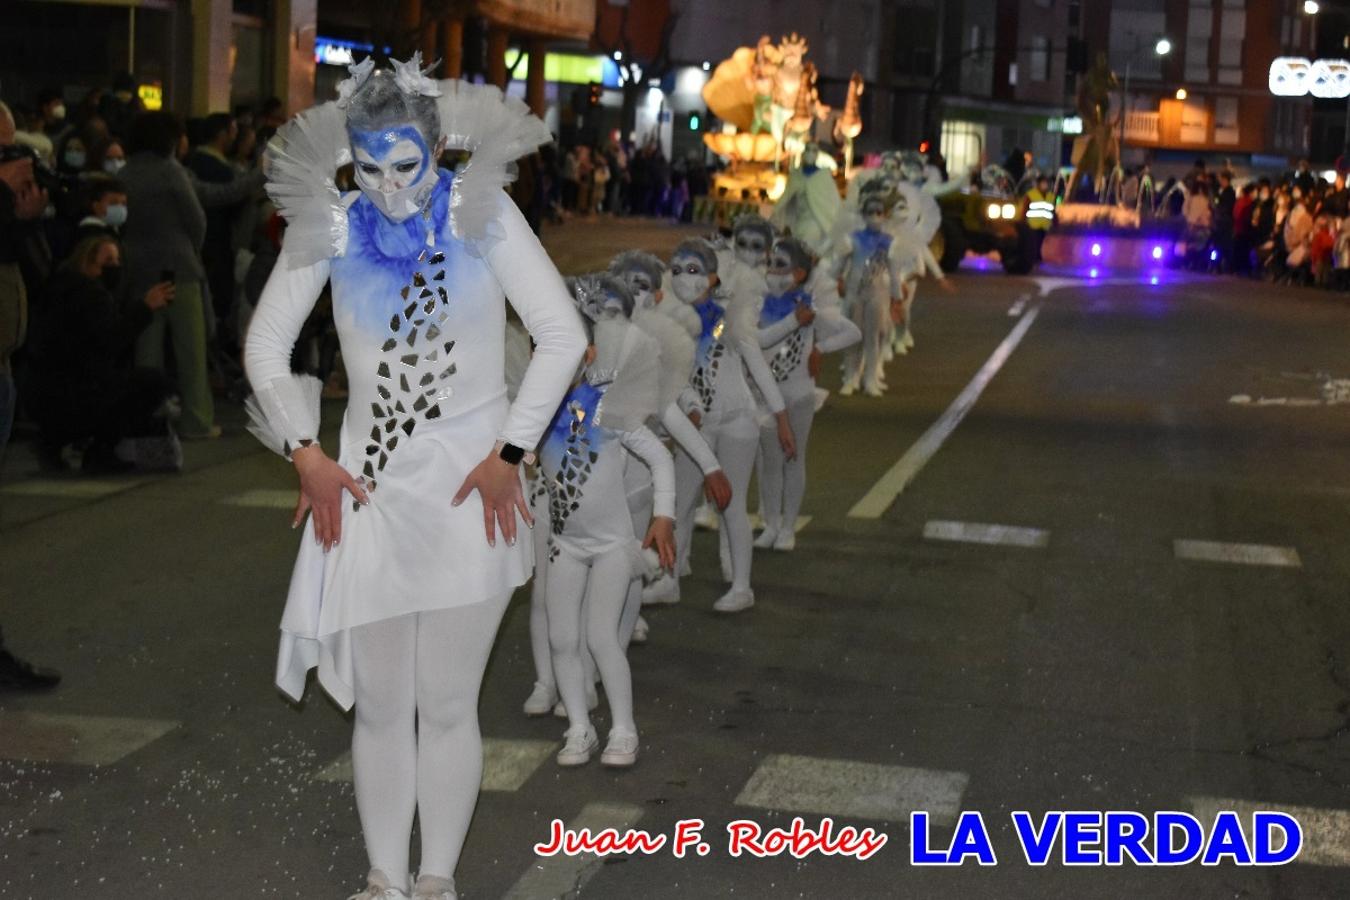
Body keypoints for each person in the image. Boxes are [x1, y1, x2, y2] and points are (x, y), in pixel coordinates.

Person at [243, 55, 585, 900]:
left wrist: (510, 453)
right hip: (370, 496)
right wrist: (305, 452)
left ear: (437, 149)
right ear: (348, 158)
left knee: (447, 700)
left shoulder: (483, 214)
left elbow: (563, 335)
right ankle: (384, 877)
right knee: (382, 703)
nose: (389, 186)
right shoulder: (331, 226)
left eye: (406, 164)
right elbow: (264, 346)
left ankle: (436, 879)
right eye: (370, 168)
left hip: (472, 495)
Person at [541, 274, 675, 769]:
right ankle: (579, 727)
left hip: (612, 544)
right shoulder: (533, 413)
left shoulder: (608, 407)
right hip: (565, 544)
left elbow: (660, 457)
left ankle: (623, 728)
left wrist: (663, 516)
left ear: (588, 354)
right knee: (561, 638)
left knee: (600, 636)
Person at [666, 238, 794, 613]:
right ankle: (669, 579)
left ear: (712, 276)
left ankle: (742, 587)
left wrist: (781, 418)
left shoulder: (729, 318)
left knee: (731, 504)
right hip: (696, 425)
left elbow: (758, 366)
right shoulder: (671, 322)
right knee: (678, 503)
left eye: (693, 270)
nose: (683, 278)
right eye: (676, 270)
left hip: (737, 421)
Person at [24, 234, 173, 472]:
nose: (115, 267)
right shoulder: (90, 294)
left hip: (43, 392)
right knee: (151, 384)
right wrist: (145, 307)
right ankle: (101, 450)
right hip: (76, 392)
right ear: (87, 262)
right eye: (108, 261)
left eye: (117, 261)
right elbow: (112, 338)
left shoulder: (59, 288)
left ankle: (53, 440)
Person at [753, 237, 858, 551]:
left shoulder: (809, 308)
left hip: (799, 395)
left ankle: (788, 528)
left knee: (793, 458)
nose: (773, 271)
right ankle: (771, 524)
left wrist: (820, 348)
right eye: (770, 264)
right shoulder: (758, 305)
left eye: (780, 266)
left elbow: (853, 332)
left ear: (799, 273)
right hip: (765, 396)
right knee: (769, 462)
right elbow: (751, 340)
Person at [121, 109, 219, 439]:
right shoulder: (171, 170)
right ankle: (196, 421)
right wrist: (191, 249)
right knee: (190, 350)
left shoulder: (124, 172)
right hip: (179, 268)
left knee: (146, 349)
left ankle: (145, 419)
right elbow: (197, 220)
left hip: (138, 268)